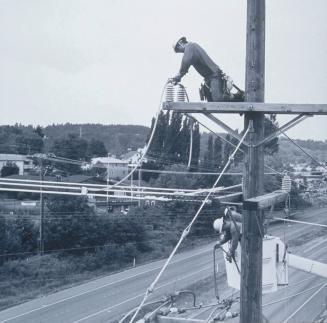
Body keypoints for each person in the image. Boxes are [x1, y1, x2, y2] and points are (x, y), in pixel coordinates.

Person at [171, 37, 244, 102]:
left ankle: (239, 97)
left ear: (180, 43)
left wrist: (178, 76)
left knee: (218, 99)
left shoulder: (190, 46)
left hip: (214, 75)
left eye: (179, 49)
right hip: (209, 78)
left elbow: (185, 63)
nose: (181, 52)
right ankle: (237, 98)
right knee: (211, 101)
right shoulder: (192, 47)